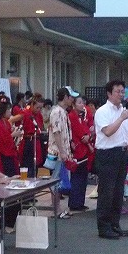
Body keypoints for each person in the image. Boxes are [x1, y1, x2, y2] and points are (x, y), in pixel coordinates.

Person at [94, 79, 128, 240]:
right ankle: (104, 227)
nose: (121, 94)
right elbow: (107, 132)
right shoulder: (103, 111)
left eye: (122, 91)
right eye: (118, 91)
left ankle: (115, 223)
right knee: (107, 192)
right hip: (107, 154)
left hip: (121, 153)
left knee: (118, 192)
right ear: (109, 93)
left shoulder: (124, 111)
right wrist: (121, 118)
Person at [48, 86, 78, 219]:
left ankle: (58, 208)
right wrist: (62, 151)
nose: (72, 99)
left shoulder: (63, 112)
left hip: (63, 151)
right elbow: (57, 132)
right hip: (57, 152)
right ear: (65, 97)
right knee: (56, 181)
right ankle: (56, 209)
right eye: (71, 97)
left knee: (60, 180)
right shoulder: (57, 112)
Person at [68, 94, 95, 212]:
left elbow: (88, 130)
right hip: (78, 148)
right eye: (79, 102)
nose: (82, 105)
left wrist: (88, 136)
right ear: (74, 104)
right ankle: (75, 202)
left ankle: (79, 201)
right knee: (77, 177)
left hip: (84, 148)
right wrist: (87, 137)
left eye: (82, 102)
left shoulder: (81, 116)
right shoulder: (72, 116)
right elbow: (80, 132)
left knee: (82, 176)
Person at [0, 96, 22, 176]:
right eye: (8, 109)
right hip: (3, 154)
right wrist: (13, 134)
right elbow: (1, 140)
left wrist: (13, 131)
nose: (10, 111)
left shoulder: (4, 121)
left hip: (10, 152)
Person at [17, 93, 45, 178]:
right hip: (27, 142)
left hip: (37, 141)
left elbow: (41, 127)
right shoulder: (25, 113)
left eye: (41, 108)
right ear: (32, 105)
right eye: (37, 107)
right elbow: (11, 120)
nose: (39, 110)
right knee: (27, 166)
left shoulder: (39, 115)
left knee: (35, 166)